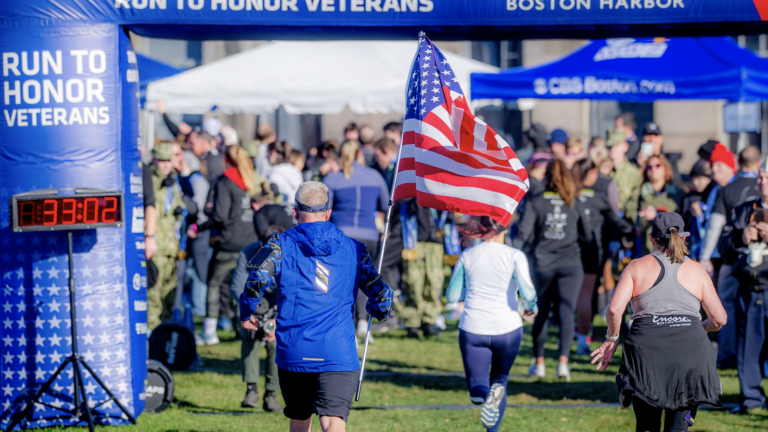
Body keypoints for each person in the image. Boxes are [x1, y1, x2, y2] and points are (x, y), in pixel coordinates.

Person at [240, 181, 393, 432]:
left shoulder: (277, 244)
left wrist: (247, 311)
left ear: (295, 212)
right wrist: (380, 310)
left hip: (294, 349)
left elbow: (255, 278)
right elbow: (381, 293)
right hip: (338, 351)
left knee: (299, 421)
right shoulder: (355, 248)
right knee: (333, 422)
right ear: (328, 212)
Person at [591, 212, 726, 432]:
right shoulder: (696, 270)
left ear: (651, 239)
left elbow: (615, 309)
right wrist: (699, 328)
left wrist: (612, 338)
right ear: (683, 238)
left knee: (647, 426)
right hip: (690, 356)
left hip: (647, 355)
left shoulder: (637, 266)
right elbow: (719, 319)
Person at [445, 217, 538, 432]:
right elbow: (528, 292)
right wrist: (530, 305)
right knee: (500, 381)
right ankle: (492, 421)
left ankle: (486, 396)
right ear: (505, 228)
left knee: (477, 388)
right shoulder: (515, 255)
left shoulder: (468, 254)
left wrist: (471, 292)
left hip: (473, 328)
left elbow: (451, 297)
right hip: (508, 329)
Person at [513, 160, 592, 381]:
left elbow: (523, 234)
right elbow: (587, 235)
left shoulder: (537, 201)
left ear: (546, 177)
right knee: (567, 311)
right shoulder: (573, 201)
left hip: (543, 264)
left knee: (541, 311)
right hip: (570, 264)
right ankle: (563, 365)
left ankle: (539, 364)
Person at [323, 140, 390, 339]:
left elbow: (325, 209)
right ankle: (362, 321)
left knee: (340, 280)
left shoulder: (333, 179)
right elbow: (386, 205)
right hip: (369, 235)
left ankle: (341, 321)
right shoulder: (375, 176)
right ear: (360, 154)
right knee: (365, 278)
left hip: (342, 236)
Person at [704, 145, 761, 368]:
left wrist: (705, 256)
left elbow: (714, 226)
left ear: (738, 162)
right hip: (760, 258)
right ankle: (756, 357)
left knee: (726, 304)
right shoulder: (762, 185)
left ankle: (728, 354)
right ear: (758, 164)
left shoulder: (727, 189)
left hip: (731, 257)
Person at [570, 158, 633, 355]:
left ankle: (559, 348)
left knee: (569, 297)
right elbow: (617, 221)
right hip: (592, 251)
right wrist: (632, 230)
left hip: (567, 251)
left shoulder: (568, 195)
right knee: (586, 295)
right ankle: (581, 342)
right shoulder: (598, 197)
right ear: (591, 174)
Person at [197, 145, 259, 346]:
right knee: (243, 287)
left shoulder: (226, 180)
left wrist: (200, 227)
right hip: (251, 242)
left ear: (226, 159)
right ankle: (245, 329)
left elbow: (220, 216)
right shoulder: (251, 179)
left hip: (229, 243)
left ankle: (209, 331)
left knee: (214, 283)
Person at [723, 161, 768, 413]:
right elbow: (723, 250)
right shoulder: (742, 210)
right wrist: (741, 237)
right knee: (748, 349)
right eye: (760, 177)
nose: (761, 181)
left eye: (766, 177)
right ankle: (751, 399)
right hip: (749, 288)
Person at [231, 226, 285, 413]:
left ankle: (271, 394)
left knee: (274, 343)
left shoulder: (288, 253)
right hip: (255, 300)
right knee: (249, 336)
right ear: (261, 246)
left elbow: (291, 292)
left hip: (279, 303)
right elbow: (238, 286)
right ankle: (251, 390)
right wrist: (249, 311)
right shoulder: (250, 252)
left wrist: (277, 320)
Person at [148, 142, 186, 330]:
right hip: (156, 247)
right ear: (153, 160)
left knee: (168, 294)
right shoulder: (148, 181)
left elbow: (177, 207)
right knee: (153, 294)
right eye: (161, 161)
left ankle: (164, 332)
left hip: (172, 246)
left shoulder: (172, 182)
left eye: (167, 161)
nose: (164, 165)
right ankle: (152, 332)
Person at [400, 199, 451, 339]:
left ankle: (429, 321)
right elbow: (406, 209)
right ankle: (412, 323)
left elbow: (449, 215)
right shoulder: (413, 189)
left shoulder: (440, 190)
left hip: (436, 244)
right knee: (413, 282)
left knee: (434, 283)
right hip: (415, 242)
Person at [172, 142, 212, 317]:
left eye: (178, 156)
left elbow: (200, 209)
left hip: (198, 232)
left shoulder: (196, 179)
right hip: (183, 233)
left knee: (198, 270)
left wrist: (195, 227)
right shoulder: (180, 178)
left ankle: (199, 309)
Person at [637, 154, 685, 255]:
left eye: (658, 165)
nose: (653, 169)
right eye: (649, 167)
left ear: (666, 168)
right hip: (646, 247)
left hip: (671, 249)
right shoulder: (639, 192)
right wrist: (640, 218)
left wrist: (657, 215)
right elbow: (631, 213)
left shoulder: (678, 193)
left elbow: (682, 218)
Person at [606, 128, 643, 223]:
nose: (613, 149)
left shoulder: (633, 172)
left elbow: (634, 201)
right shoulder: (601, 170)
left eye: (617, 145)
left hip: (625, 221)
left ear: (625, 147)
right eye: (610, 146)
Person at [680, 160, 714, 261]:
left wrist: (701, 215)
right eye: (693, 178)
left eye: (699, 178)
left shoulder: (714, 196)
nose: (695, 182)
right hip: (690, 248)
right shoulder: (687, 198)